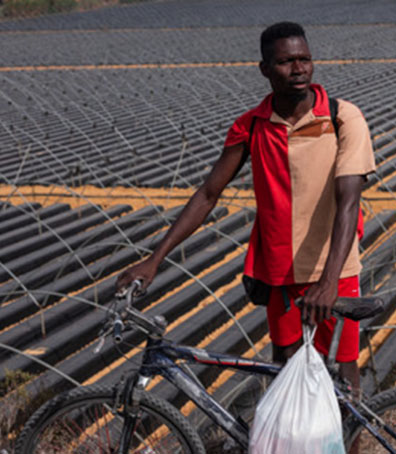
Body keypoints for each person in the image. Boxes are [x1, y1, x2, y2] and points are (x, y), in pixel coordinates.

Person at [116, 21, 375, 391]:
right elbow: (208, 194)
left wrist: (330, 281)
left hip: (334, 270)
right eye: (286, 62)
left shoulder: (341, 117)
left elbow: (349, 201)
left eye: (304, 59)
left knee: (345, 382)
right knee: (285, 376)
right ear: (265, 70)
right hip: (280, 274)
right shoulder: (251, 127)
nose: (299, 69)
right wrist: (154, 260)